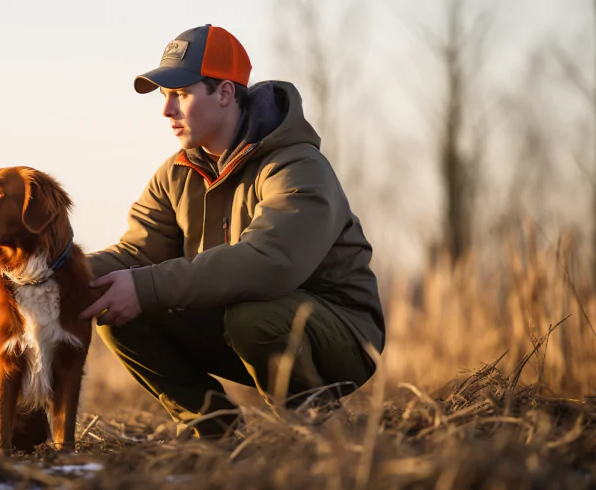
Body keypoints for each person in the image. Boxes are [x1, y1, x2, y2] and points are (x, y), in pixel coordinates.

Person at [78, 25, 385, 438]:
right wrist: (53, 273)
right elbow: (137, 253)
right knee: (119, 311)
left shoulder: (296, 165)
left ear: (224, 93)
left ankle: (318, 430)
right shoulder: (177, 173)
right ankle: (210, 429)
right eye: (164, 96)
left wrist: (146, 286)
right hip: (240, 320)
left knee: (252, 316)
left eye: (181, 94)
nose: (166, 110)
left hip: (340, 333)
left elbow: (270, 263)